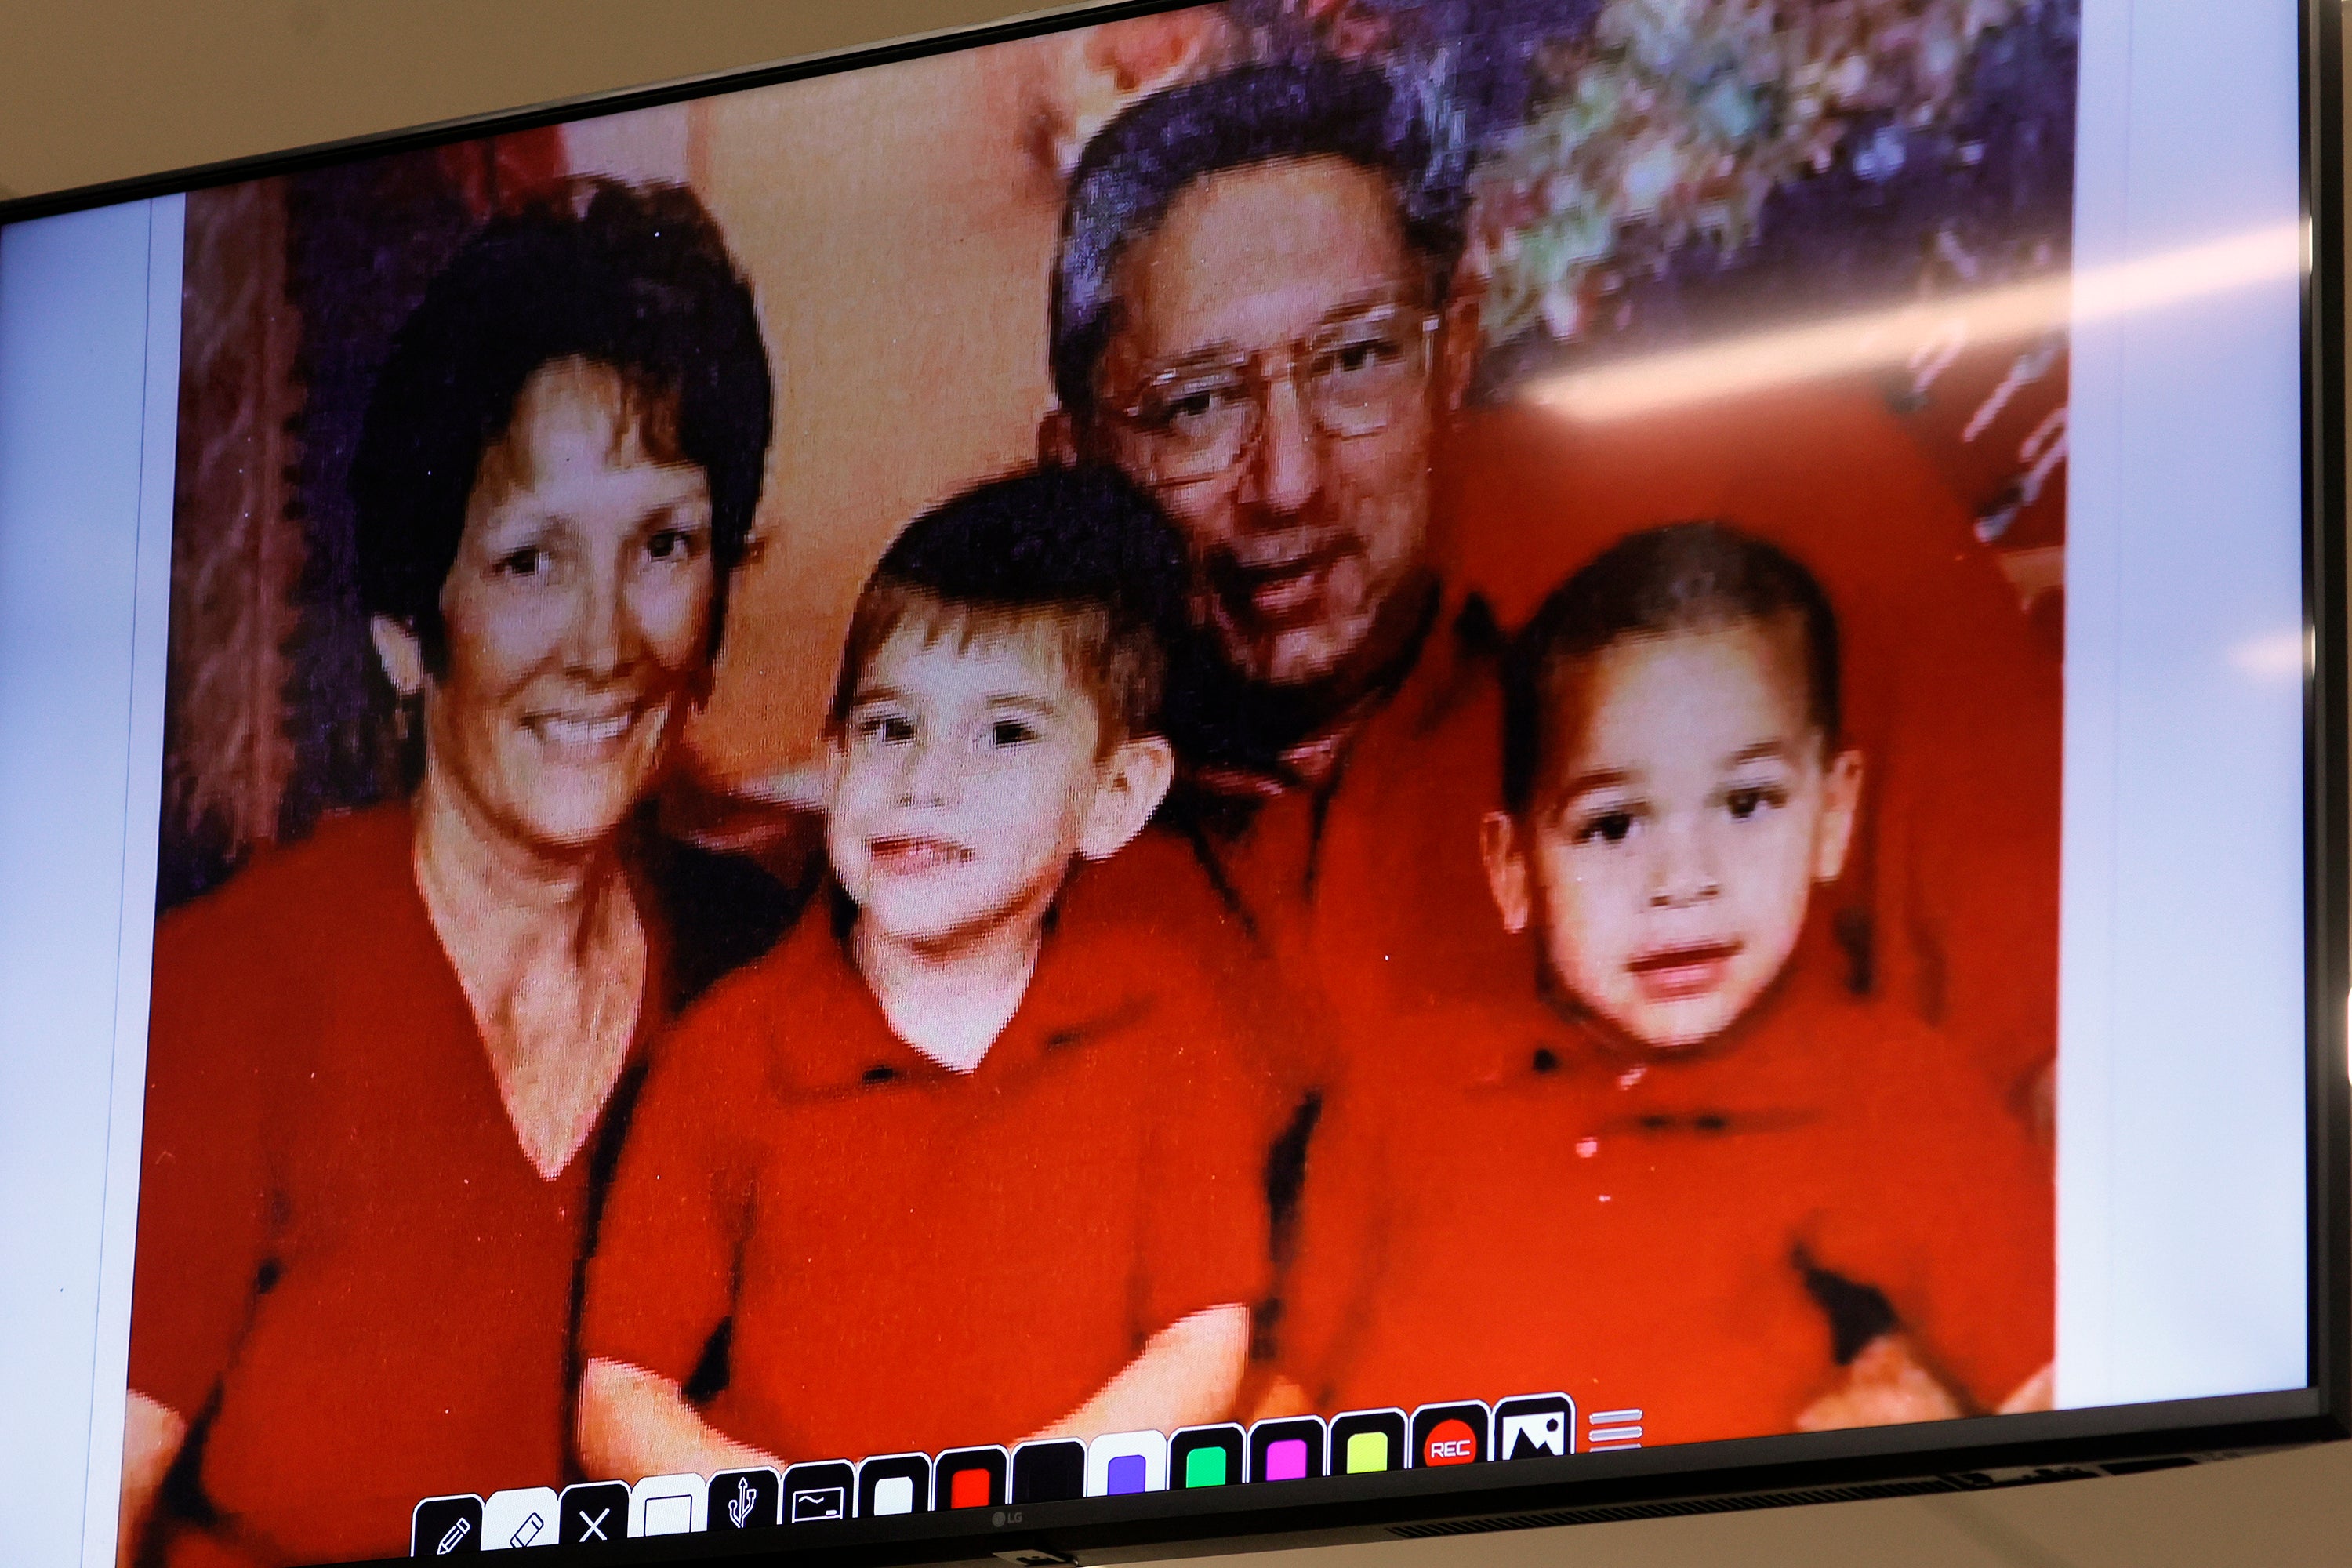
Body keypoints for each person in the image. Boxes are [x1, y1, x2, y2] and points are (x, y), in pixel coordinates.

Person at [1041, 58, 2062, 1118]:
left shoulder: (1794, 503)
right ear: (1075, 461)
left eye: (1357, 361)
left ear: (1457, 358)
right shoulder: (986, 776)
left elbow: (2088, 1090)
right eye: (1196, 405)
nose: (1288, 482)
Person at [119, 180, 793, 1568]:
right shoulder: (229, 995)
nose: (607, 642)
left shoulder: (762, 968)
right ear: (407, 630)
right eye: (530, 559)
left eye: (662, 545)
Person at [1280, 524, 2053, 1446]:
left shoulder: (1898, 1092)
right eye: (1612, 825)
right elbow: (1289, 1397)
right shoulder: (1401, 1083)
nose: (1683, 879)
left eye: (1746, 802)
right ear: (1512, 864)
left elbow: (2063, 1390)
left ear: (1832, 813)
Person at [575, 466, 1272, 1472]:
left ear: (1116, 794)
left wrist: (1028, 1495)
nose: (924, 781)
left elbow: (1203, 1339)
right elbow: (619, 1395)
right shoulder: (729, 1051)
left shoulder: (1165, 1025)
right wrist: (781, 1513)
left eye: (1004, 733)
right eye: (891, 725)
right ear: (834, 759)